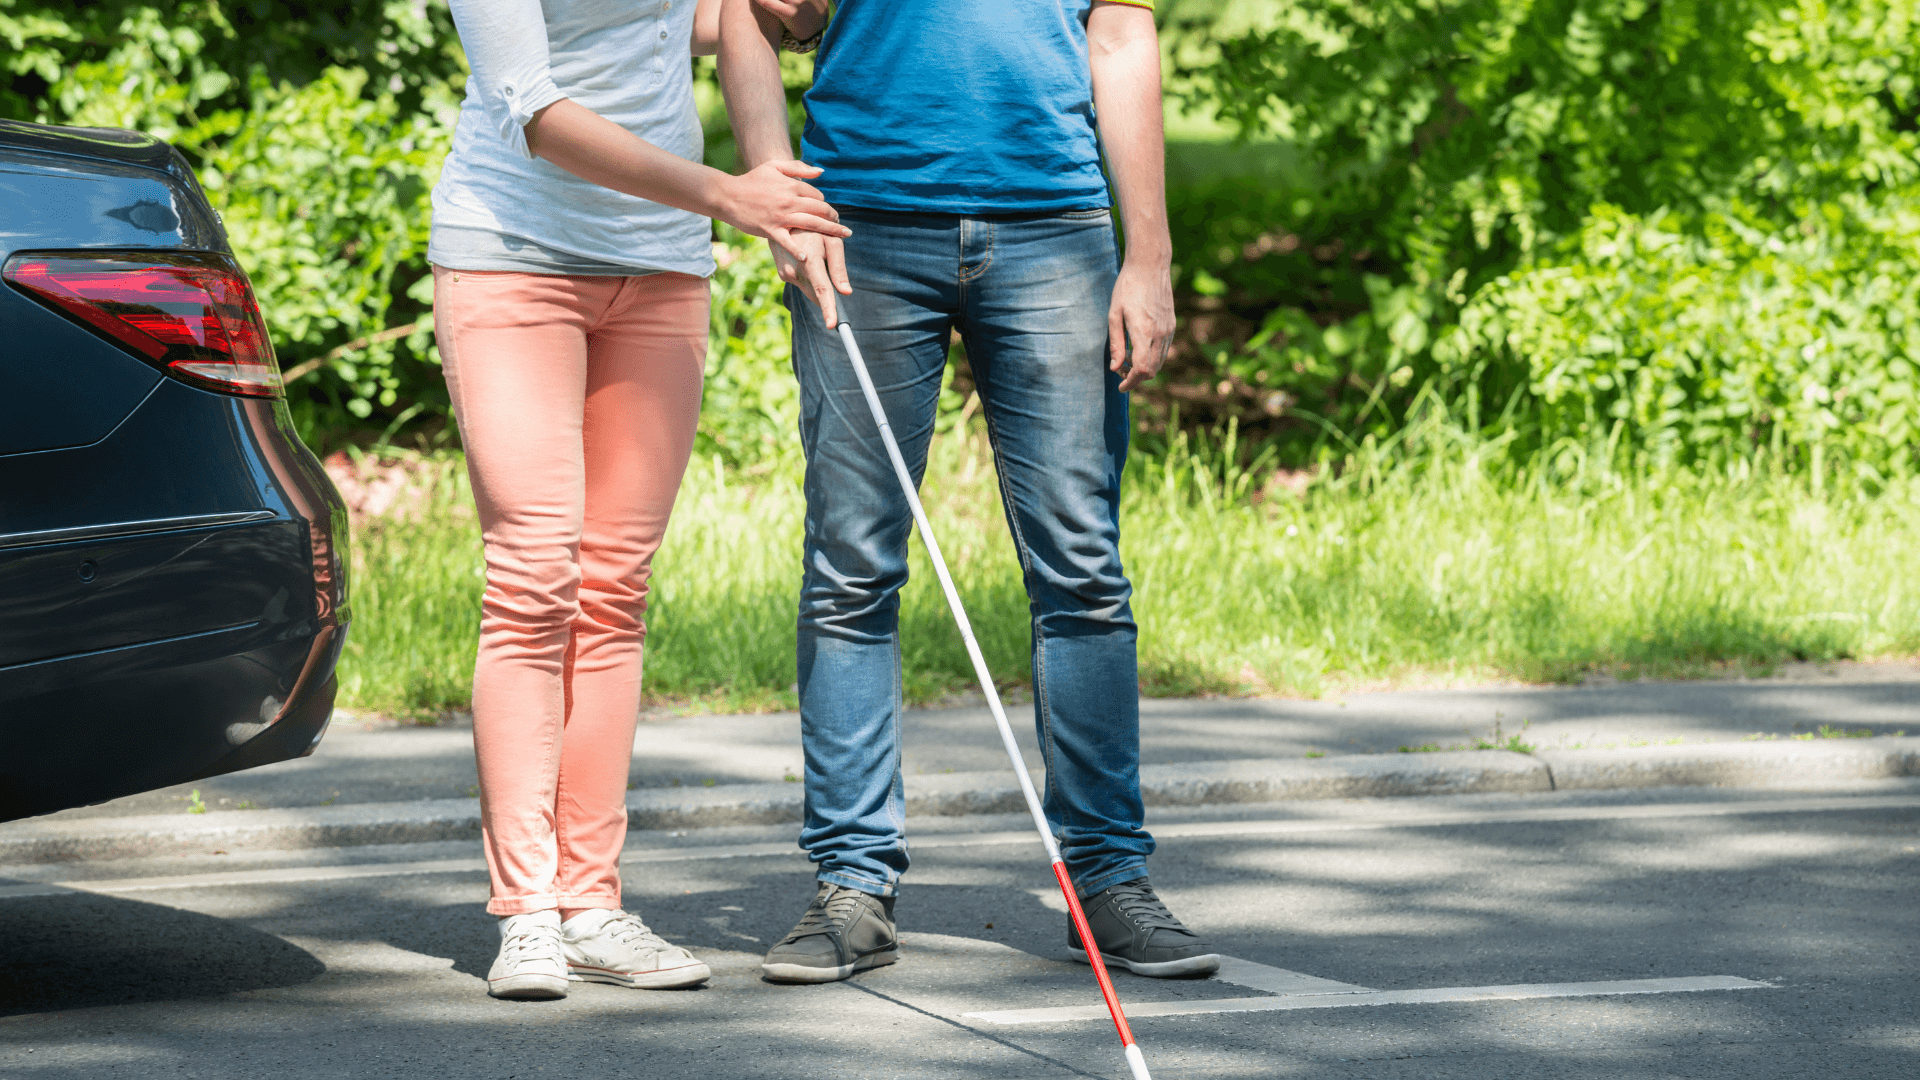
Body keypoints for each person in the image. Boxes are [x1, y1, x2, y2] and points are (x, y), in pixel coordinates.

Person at [718, 0, 1220, 983]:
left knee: (1082, 570)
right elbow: (752, 14)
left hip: (1054, 227)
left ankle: (1108, 879)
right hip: (861, 225)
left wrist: (1149, 254)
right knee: (851, 566)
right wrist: (776, 187)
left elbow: (1122, 35)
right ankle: (853, 883)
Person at [432, 0, 848, 1000]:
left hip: (661, 269)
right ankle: (527, 912)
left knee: (614, 590)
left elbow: (720, 17)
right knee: (535, 576)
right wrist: (729, 195)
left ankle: (590, 903)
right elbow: (534, 111)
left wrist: (787, 46)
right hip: (511, 254)